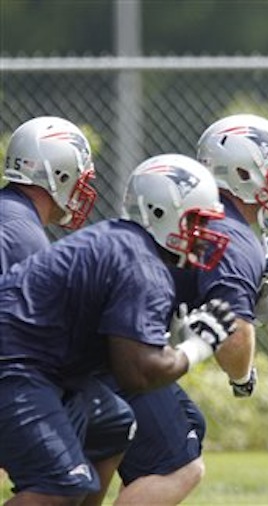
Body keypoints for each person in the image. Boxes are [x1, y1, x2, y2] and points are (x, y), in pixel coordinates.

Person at [0, 153, 237, 505]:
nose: (206, 235)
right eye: (198, 222)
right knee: (58, 485)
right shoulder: (142, 265)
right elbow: (137, 374)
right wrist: (197, 346)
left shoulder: (126, 244)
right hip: (17, 365)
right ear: (160, 212)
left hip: (41, 366)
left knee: (111, 424)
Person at [110, 114, 268, 505]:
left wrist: (246, 306)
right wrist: (242, 378)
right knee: (177, 466)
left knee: (187, 425)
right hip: (113, 350)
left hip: (102, 338)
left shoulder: (196, 217)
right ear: (243, 173)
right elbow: (233, 335)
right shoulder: (234, 236)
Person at [0, 116, 136, 506]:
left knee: (111, 422)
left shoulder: (16, 218)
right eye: (78, 176)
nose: (81, 189)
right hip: (12, 373)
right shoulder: (19, 232)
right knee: (59, 482)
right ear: (57, 173)